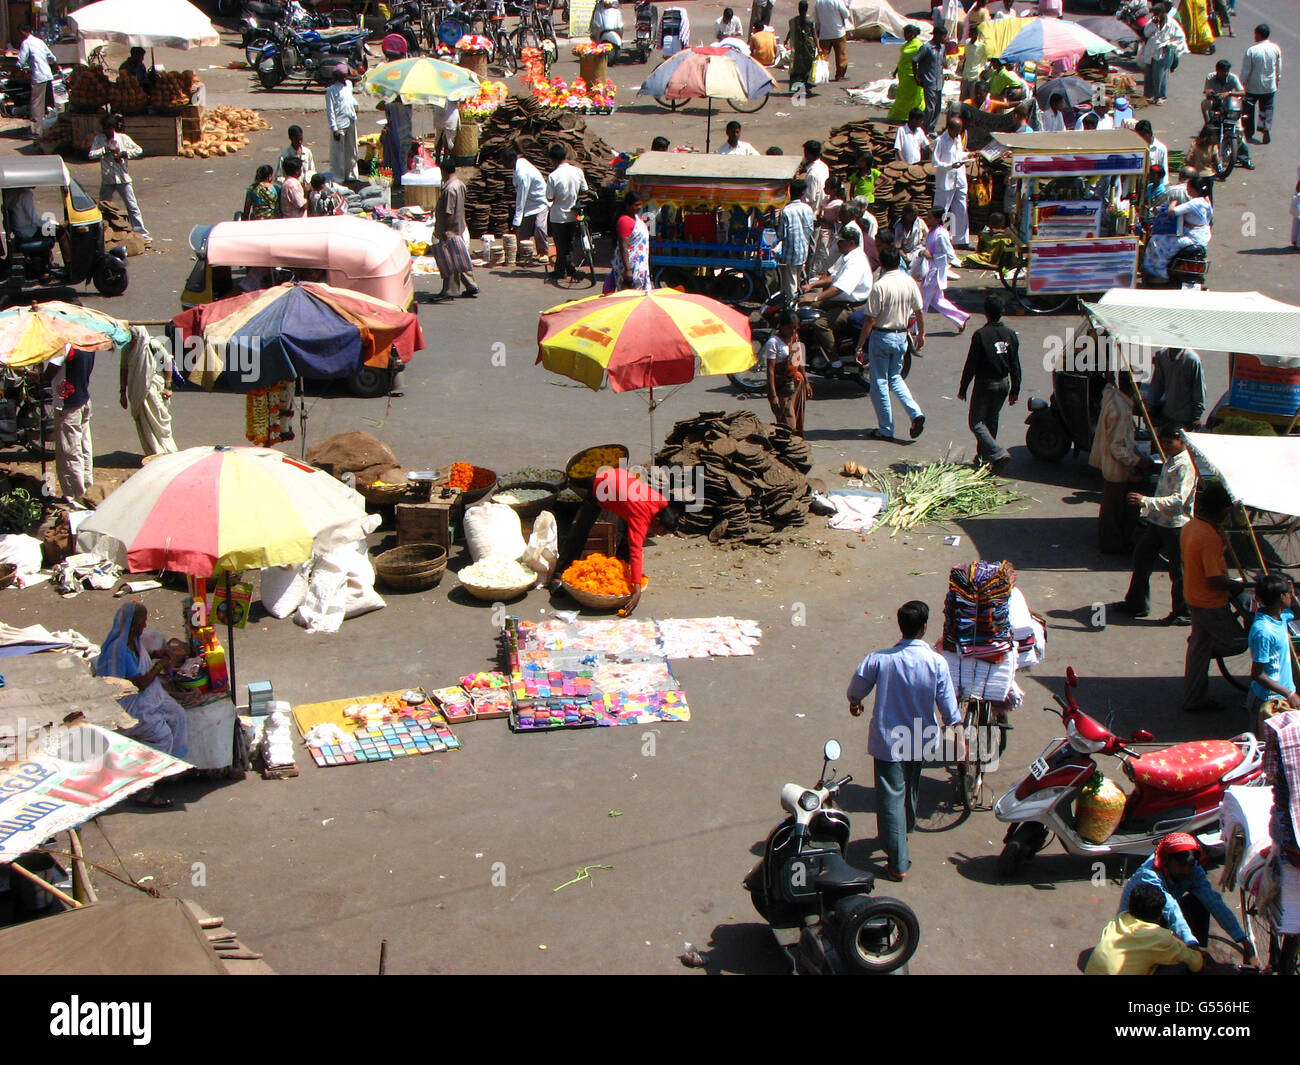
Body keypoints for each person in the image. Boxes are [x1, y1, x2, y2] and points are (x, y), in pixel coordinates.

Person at [847, 600, 960, 880]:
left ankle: (898, 861)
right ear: (924, 627)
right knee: (910, 782)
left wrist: (855, 702)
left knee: (890, 795)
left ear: (901, 626)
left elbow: (856, 688)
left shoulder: (880, 659)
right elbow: (948, 705)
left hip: (888, 739)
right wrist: (956, 728)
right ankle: (905, 828)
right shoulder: (936, 662)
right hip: (920, 736)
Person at [551, 465, 680, 617]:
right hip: (602, 486)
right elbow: (636, 550)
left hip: (619, 478)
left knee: (626, 531)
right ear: (657, 520)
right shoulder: (641, 517)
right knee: (582, 530)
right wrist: (637, 590)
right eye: (662, 531)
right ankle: (558, 574)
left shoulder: (662, 502)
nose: (659, 534)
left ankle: (621, 566)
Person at [95, 603, 189, 805]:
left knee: (177, 714)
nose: (145, 625)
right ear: (131, 624)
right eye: (142, 622)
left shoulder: (133, 642)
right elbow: (139, 684)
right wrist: (159, 666)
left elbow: (141, 661)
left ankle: (170, 769)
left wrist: (155, 655)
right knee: (162, 737)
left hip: (148, 696)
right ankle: (144, 788)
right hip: (130, 705)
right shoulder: (119, 650)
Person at [1119, 833, 1255, 962]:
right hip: (1137, 922)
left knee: (1200, 902)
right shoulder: (1150, 875)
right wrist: (1192, 947)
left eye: (1189, 865)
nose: (1186, 871)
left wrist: (1243, 940)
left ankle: (1192, 951)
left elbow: (1214, 902)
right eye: (1181, 865)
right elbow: (1172, 911)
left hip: (1163, 914)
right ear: (1168, 860)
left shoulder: (1194, 870)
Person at [1180, 481, 1247, 713]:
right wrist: (1236, 586)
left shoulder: (1191, 526)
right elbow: (1214, 580)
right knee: (1238, 643)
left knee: (1199, 647)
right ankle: (1203, 653)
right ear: (1220, 510)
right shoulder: (1208, 537)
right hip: (1210, 602)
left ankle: (1194, 696)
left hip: (1193, 596)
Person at [1118, 425, 1195, 623]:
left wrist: (1147, 501)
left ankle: (1183, 612)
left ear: (1182, 442)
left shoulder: (1186, 465)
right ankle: (1137, 603)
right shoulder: (1170, 459)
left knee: (1179, 571)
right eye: (1164, 442)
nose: (1166, 446)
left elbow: (1179, 499)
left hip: (1176, 525)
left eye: (1170, 442)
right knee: (1142, 557)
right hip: (1159, 521)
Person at [854, 244, 925, 444]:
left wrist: (860, 346)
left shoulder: (880, 286)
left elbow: (869, 319)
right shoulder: (909, 282)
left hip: (882, 337)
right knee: (895, 377)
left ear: (883, 265)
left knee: (879, 382)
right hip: (901, 335)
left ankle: (886, 429)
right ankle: (915, 413)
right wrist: (920, 334)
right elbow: (919, 311)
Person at [1086, 882, 1210, 975]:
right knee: (1179, 965)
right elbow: (1196, 964)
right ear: (1158, 916)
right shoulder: (1159, 938)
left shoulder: (1117, 922)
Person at [957, 295, 1019, 470]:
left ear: (986, 313)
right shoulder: (1011, 334)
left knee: (976, 422)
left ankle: (997, 452)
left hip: (985, 383)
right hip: (1003, 383)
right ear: (1002, 312)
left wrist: (963, 387)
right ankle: (984, 458)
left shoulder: (981, 335)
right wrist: (1015, 389)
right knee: (992, 419)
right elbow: (1015, 365)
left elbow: (971, 364)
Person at [1089, 372, 1148, 555]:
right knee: (1115, 511)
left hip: (1109, 466)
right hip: (1118, 469)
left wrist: (1109, 380)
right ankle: (1114, 545)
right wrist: (1138, 461)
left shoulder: (1112, 395)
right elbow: (1117, 447)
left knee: (1111, 510)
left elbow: (1107, 387)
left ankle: (1112, 542)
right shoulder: (1121, 411)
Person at [801, 226, 872, 368]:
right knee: (806, 308)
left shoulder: (855, 261)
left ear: (851, 243)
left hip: (852, 306)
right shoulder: (846, 256)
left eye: (841, 241)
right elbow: (833, 277)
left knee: (820, 324)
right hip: (839, 301)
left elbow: (839, 289)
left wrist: (816, 297)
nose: (837, 244)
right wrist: (811, 286)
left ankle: (834, 361)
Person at [1260, 707, 1300, 940]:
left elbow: (1278, 795)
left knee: (1280, 819)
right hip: (1291, 846)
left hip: (1291, 845)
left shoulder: (1288, 764)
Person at [88, 114, 150, 243]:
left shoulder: (123, 138)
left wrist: (124, 154)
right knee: (104, 207)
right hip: (108, 179)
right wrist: (105, 150)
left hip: (123, 178)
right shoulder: (99, 140)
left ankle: (142, 234)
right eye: (105, 128)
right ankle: (102, 234)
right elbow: (91, 154)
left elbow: (139, 150)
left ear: (113, 128)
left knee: (132, 206)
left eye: (110, 128)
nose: (108, 131)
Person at [44, 347, 95, 501]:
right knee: (84, 447)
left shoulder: (64, 346)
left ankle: (77, 495)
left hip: (68, 405)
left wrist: (30, 374)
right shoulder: (87, 342)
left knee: (70, 453)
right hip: (83, 400)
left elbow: (48, 375)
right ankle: (87, 488)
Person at [119, 326, 177, 457]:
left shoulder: (152, 344)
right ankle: (153, 451)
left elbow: (168, 363)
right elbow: (124, 370)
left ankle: (167, 450)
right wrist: (122, 392)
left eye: (134, 338)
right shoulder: (127, 348)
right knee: (143, 420)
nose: (132, 341)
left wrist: (168, 387)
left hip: (154, 387)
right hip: (136, 388)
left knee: (159, 418)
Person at [1247, 574, 1299, 718]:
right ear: (1282, 597)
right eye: (1289, 593)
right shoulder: (1264, 631)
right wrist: (1289, 694)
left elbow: (1297, 614)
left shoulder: (1281, 616)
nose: (1292, 596)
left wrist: (1293, 598)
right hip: (1269, 701)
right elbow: (1258, 674)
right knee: (1264, 740)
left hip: (1283, 696)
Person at [1143, 175, 1213, 280]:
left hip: (1192, 238)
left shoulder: (1194, 203)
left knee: (1156, 240)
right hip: (1202, 235)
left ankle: (1160, 270)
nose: (1187, 190)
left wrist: (1174, 202)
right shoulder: (1206, 201)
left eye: (1188, 187)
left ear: (1194, 189)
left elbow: (1172, 212)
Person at [918, 205, 968, 332]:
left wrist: (933, 257)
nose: (927, 219)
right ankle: (960, 318)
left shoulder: (941, 234)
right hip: (929, 271)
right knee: (937, 300)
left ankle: (916, 329)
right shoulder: (932, 232)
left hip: (935, 273)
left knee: (921, 301)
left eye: (930, 217)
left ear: (937, 219)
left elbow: (950, 255)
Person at [545, 143, 588, 282]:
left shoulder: (553, 176)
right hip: (573, 215)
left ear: (554, 160)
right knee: (569, 243)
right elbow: (584, 189)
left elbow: (549, 197)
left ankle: (560, 270)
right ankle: (569, 267)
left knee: (560, 245)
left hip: (558, 216)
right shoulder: (578, 171)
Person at [433, 162, 477, 299]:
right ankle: (471, 285)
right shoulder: (460, 184)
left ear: (443, 172)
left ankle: (449, 291)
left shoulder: (449, 189)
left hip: (450, 228)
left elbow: (448, 212)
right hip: (459, 226)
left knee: (449, 260)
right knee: (459, 257)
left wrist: (446, 231)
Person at [764, 311, 812, 435]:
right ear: (782, 326)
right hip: (783, 387)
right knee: (787, 422)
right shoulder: (773, 342)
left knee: (798, 417)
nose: (794, 330)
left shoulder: (795, 337)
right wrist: (773, 395)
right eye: (790, 327)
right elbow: (770, 370)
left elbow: (799, 361)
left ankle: (798, 448)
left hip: (796, 383)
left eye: (796, 327)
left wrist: (806, 382)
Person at [506, 148, 550, 267]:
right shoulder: (519, 163)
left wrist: (516, 221)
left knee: (539, 227)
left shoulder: (522, 174)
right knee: (523, 230)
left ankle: (543, 252)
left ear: (511, 160)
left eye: (505, 162)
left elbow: (521, 199)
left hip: (540, 201)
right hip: (529, 202)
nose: (504, 165)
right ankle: (522, 253)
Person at [1144, 347, 1206, 430]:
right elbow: (1157, 384)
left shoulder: (1192, 360)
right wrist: (1149, 408)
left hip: (1185, 417)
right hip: (1167, 414)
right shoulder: (1163, 356)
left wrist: (1197, 416)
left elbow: (1198, 389)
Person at [774, 178, 815, 303]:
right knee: (796, 279)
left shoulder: (786, 211)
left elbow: (781, 234)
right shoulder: (808, 209)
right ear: (802, 193)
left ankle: (792, 306)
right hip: (803, 250)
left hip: (790, 252)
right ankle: (794, 302)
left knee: (790, 282)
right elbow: (811, 229)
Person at [1240, 24, 1282, 147]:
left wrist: (1241, 83)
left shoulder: (1252, 50)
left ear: (1258, 34)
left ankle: (1248, 133)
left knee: (1248, 109)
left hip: (1253, 86)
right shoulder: (1275, 48)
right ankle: (1265, 129)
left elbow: (1246, 71)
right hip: (1269, 86)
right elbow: (1278, 67)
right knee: (1267, 109)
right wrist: (1277, 80)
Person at [931, 115, 970, 246]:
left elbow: (958, 155)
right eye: (955, 131)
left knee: (961, 208)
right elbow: (935, 162)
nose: (957, 134)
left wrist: (969, 155)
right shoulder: (940, 141)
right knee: (943, 211)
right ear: (950, 129)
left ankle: (961, 240)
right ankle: (940, 238)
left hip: (959, 179)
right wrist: (950, 166)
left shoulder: (958, 138)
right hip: (946, 180)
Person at [1139, 4, 1188, 106]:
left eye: (1158, 14)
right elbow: (1146, 33)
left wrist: (1170, 44)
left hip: (1164, 52)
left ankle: (1160, 96)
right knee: (1149, 73)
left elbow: (1180, 37)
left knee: (1160, 74)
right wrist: (1152, 25)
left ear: (1163, 13)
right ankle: (1148, 95)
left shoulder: (1172, 23)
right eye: (1154, 14)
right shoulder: (1151, 22)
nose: (1155, 16)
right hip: (1151, 50)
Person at [17, 25, 57, 140]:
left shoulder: (26, 43)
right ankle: (45, 128)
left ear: (23, 32)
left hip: (38, 76)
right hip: (48, 75)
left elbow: (21, 60)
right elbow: (51, 57)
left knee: (36, 105)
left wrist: (16, 69)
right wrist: (56, 67)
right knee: (46, 103)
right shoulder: (40, 42)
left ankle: (35, 131)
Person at [610, 192, 651, 292]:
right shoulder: (624, 221)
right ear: (628, 205)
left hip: (640, 266)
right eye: (636, 205)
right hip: (630, 267)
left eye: (640, 204)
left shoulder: (638, 219)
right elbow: (623, 247)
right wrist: (628, 270)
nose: (639, 207)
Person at [326, 67, 359, 183]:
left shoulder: (349, 85)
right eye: (343, 75)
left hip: (351, 120)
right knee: (338, 152)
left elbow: (350, 98)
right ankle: (338, 177)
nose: (346, 77)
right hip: (339, 124)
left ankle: (351, 174)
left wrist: (355, 105)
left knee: (352, 149)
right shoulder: (331, 90)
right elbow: (330, 110)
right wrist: (334, 128)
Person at [888, 25, 926, 121]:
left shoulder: (918, 45)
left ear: (913, 34)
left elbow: (920, 60)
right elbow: (903, 59)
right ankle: (901, 115)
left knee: (910, 97)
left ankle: (907, 116)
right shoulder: (907, 43)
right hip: (903, 74)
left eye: (906, 33)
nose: (904, 36)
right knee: (902, 95)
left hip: (912, 75)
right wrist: (896, 70)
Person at [916, 25, 948, 134]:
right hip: (928, 81)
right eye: (943, 36)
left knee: (938, 108)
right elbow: (915, 60)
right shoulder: (926, 47)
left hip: (939, 81)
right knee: (930, 108)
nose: (944, 39)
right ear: (936, 35)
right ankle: (924, 129)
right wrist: (917, 76)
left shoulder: (942, 48)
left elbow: (943, 62)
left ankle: (931, 128)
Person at [786, 0, 819, 94]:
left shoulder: (793, 21)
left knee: (796, 68)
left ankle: (795, 87)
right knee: (807, 68)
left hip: (797, 49)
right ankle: (805, 87)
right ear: (807, 9)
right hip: (807, 49)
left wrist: (786, 40)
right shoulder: (810, 21)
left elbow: (790, 31)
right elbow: (814, 35)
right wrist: (818, 47)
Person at [814, 0, 851, 81]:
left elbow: (816, 19)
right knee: (841, 55)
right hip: (838, 32)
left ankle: (820, 76)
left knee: (823, 56)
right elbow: (846, 14)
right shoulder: (837, 1)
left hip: (824, 33)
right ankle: (840, 75)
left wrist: (817, 30)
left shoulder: (818, 2)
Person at [893, 201, 928, 272]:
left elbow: (927, 235)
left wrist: (923, 241)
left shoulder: (919, 222)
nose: (915, 217)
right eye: (912, 215)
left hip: (918, 250)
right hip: (905, 254)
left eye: (916, 215)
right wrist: (905, 258)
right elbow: (898, 246)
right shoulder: (899, 226)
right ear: (906, 215)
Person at [799, 139, 830, 214]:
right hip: (822, 206)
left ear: (808, 154)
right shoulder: (824, 166)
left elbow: (809, 198)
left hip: (813, 212)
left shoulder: (812, 175)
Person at [431, 99, 460, 163]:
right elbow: (461, 99)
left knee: (439, 136)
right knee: (448, 138)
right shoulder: (454, 91)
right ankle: (445, 159)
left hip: (439, 111)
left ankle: (438, 159)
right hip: (450, 114)